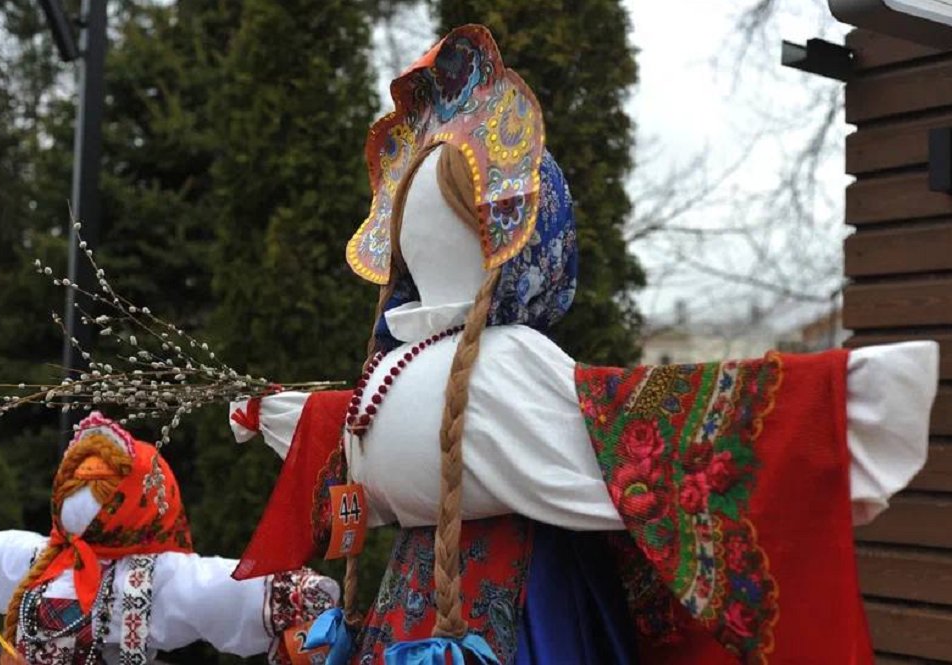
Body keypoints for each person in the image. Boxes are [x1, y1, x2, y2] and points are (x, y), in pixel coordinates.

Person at [229, 24, 939, 664]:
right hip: (479, 622)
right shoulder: (454, 367)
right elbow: (631, 444)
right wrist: (830, 405)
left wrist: (278, 414)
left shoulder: (440, 370)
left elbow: (355, 429)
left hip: (445, 622)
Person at [0, 412, 338, 665]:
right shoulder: (39, 560)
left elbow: (218, 590)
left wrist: (302, 597)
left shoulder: (154, 577)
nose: (83, 491)